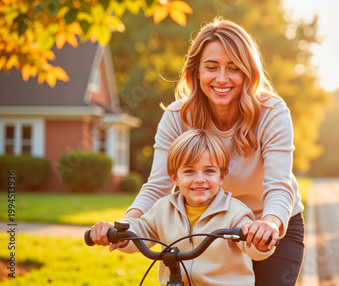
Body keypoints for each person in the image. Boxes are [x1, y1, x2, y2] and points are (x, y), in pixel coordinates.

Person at [94, 17, 305, 285]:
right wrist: (123, 227)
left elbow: (278, 185)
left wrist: (271, 224)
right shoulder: (177, 117)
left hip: (267, 223)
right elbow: (158, 185)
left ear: (248, 72)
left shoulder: (272, 112)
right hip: (209, 225)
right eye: (211, 67)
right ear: (196, 71)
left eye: (233, 68)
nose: (221, 78)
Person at [90, 129, 274, 285]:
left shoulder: (236, 212)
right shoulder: (163, 209)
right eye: (189, 171)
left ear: (222, 176)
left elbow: (252, 245)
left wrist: (258, 239)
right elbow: (141, 230)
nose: (200, 179)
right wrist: (118, 234)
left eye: (209, 171)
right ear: (174, 178)